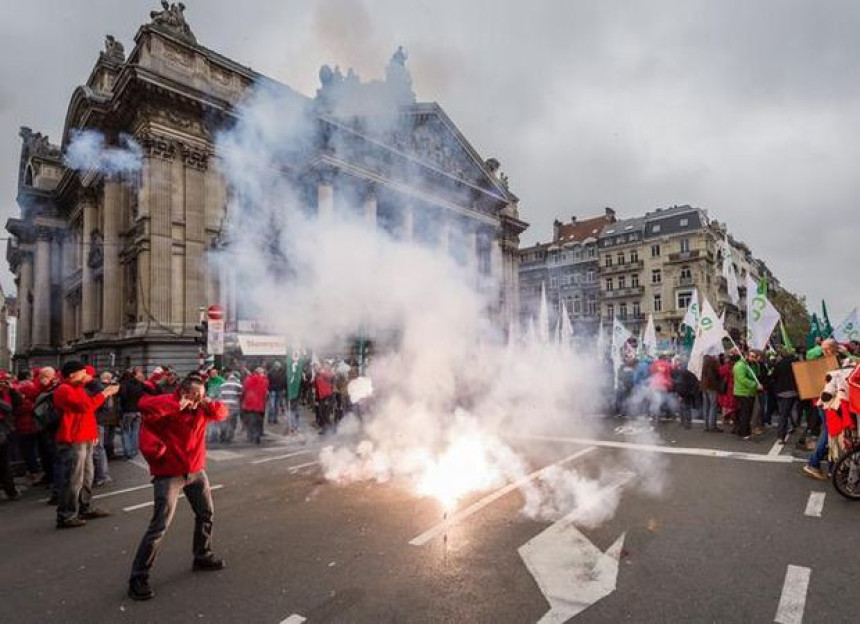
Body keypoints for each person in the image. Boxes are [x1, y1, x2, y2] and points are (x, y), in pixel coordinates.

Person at [128, 373, 228, 601]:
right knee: (159, 526)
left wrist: (206, 402)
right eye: (195, 395)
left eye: (201, 395)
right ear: (184, 393)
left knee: (206, 514)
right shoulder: (167, 405)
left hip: (195, 470)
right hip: (169, 473)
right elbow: (144, 405)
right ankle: (138, 577)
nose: (198, 400)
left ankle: (202, 555)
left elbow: (221, 413)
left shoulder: (201, 408)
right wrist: (176, 405)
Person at [53, 361, 119, 528]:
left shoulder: (78, 388)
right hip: (73, 438)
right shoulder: (64, 389)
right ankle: (66, 515)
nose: (86, 377)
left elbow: (88, 414)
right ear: (71, 375)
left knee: (87, 476)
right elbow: (86, 407)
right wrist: (104, 393)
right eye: (82, 373)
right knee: (74, 478)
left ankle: (84, 507)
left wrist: (93, 434)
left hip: (85, 436)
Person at [118, 368, 153, 460]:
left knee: (125, 431)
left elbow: (123, 396)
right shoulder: (139, 384)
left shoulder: (125, 384)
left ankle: (128, 452)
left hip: (127, 411)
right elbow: (152, 391)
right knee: (135, 431)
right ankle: (134, 451)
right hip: (138, 411)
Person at [0, 371, 21, 500]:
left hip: (6, 428)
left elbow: (17, 403)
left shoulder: (7, 392)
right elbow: (7, 408)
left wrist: (12, 389)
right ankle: (10, 491)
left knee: (4, 462)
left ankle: (10, 490)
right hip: (2, 430)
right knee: (3, 463)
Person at [772, 348, 799, 444]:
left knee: (783, 414)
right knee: (793, 409)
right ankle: (793, 425)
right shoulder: (796, 363)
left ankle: (781, 436)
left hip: (782, 391)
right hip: (795, 390)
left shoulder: (779, 365)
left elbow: (774, 376)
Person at [733, 350, 762, 440]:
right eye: (752, 356)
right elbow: (742, 379)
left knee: (748, 413)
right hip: (742, 392)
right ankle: (744, 432)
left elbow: (757, 375)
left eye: (755, 357)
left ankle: (745, 430)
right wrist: (754, 384)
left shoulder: (753, 365)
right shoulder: (740, 365)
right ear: (746, 356)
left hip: (750, 392)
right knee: (745, 413)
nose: (753, 358)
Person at [241, 368, 268, 444]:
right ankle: (257, 436)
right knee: (258, 422)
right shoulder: (264, 380)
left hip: (248, 404)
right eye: (263, 372)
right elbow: (264, 392)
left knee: (250, 421)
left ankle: (250, 436)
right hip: (259, 405)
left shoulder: (248, 379)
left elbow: (244, 390)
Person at [700, 355, 723, 432]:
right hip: (711, 387)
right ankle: (712, 426)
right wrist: (717, 385)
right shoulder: (712, 362)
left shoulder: (704, 362)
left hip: (704, 386)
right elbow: (712, 376)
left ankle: (706, 425)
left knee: (706, 406)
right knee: (713, 406)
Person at [218, 371, 242, 443]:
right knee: (232, 422)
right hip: (233, 406)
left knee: (224, 421)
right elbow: (240, 396)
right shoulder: (238, 385)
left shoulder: (222, 385)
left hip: (224, 406)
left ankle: (223, 436)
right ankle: (229, 437)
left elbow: (220, 396)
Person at [286, 350, 303, 434]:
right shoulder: (289, 373)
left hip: (297, 395)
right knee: (291, 410)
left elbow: (302, 385)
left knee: (296, 411)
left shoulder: (299, 375)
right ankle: (292, 426)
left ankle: (296, 426)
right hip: (290, 395)